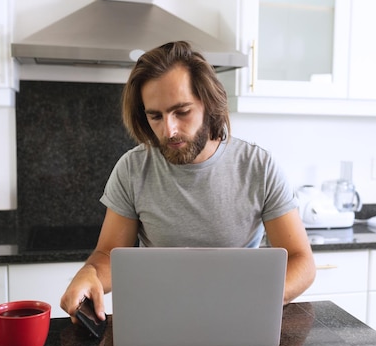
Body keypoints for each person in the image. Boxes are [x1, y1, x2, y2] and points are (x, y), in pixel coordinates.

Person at [60, 41, 315, 321]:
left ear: (209, 104)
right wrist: (90, 273)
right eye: (155, 116)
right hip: (157, 321)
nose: (169, 130)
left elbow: (300, 260)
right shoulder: (132, 169)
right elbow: (108, 254)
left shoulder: (259, 167)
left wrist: (256, 299)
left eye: (182, 112)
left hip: (238, 319)